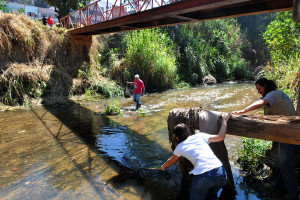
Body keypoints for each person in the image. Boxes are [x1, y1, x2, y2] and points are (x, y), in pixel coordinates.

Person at [232, 77, 299, 200]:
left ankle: (293, 196)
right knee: (282, 161)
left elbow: (262, 102)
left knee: (286, 164)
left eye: (259, 88)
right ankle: (277, 185)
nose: (258, 91)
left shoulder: (272, 95)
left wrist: (243, 111)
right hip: (290, 131)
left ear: (265, 86)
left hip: (289, 133)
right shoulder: (277, 94)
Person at [161, 113, 231, 200]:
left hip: (204, 176)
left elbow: (171, 161)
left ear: (177, 138)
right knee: (211, 197)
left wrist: (163, 166)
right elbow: (221, 137)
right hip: (221, 173)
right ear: (189, 132)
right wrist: (224, 120)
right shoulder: (200, 136)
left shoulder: (180, 147)